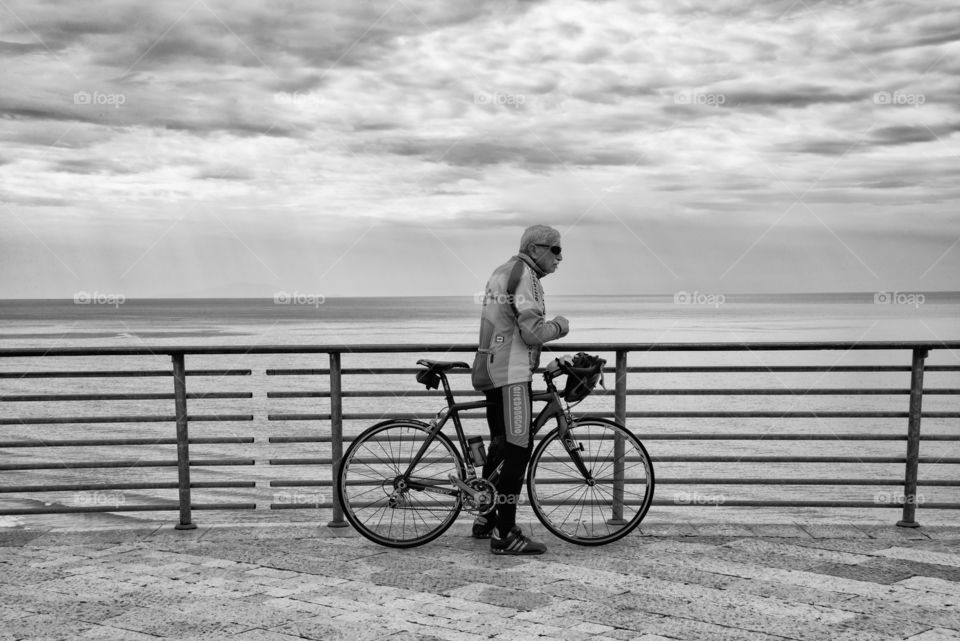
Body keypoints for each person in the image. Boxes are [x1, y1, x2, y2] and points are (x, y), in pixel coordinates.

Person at [470, 225, 569, 555]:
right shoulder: (524, 274)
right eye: (555, 250)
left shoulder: (503, 270)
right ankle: (505, 534)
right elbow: (532, 331)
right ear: (536, 248)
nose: (560, 257)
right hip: (511, 375)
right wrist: (561, 326)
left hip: (490, 367)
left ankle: (485, 517)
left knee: (499, 449)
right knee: (517, 450)